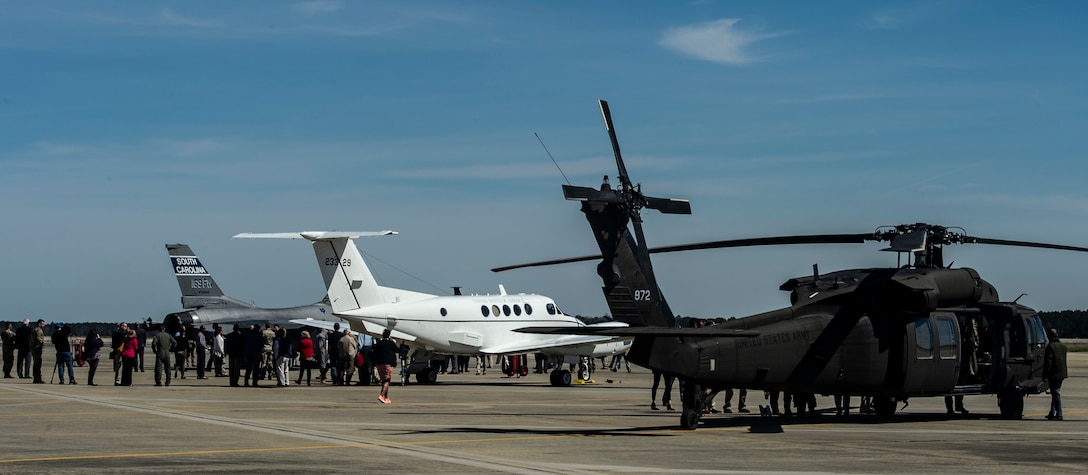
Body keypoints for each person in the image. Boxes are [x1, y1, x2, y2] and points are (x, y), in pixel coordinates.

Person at [1044, 328, 1068, 421]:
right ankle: (1052, 412)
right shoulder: (1063, 346)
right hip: (1062, 372)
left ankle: (1059, 413)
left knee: (1056, 393)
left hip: (1054, 374)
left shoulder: (1050, 347)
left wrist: (1045, 374)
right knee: (1055, 393)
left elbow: (1048, 362)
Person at [371, 329, 398, 404]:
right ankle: (381, 395)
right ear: (389, 335)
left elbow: (374, 352)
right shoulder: (391, 343)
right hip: (388, 363)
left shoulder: (379, 343)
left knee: (384, 380)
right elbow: (397, 350)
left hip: (379, 364)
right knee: (387, 380)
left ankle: (386, 397)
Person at [31, 319, 46, 383]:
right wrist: (42, 345)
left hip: (34, 348)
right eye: (43, 324)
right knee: (38, 363)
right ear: (39, 324)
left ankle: (36, 377)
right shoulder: (39, 331)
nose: (44, 325)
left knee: (36, 363)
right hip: (37, 349)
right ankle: (37, 378)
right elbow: (39, 339)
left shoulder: (35, 329)